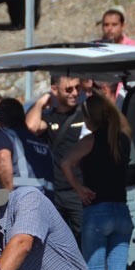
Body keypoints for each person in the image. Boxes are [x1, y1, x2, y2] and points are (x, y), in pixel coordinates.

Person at [61, 94, 134, 270]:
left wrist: (79, 188)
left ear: (90, 118)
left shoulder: (90, 140)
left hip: (97, 211)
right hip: (122, 212)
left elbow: (66, 162)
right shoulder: (122, 139)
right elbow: (121, 122)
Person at [26, 75, 86, 239]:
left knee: (83, 237)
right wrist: (40, 102)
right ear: (54, 89)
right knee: (59, 240)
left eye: (77, 88)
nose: (74, 93)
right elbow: (31, 127)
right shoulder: (48, 117)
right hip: (55, 191)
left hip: (80, 190)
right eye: (68, 89)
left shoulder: (84, 113)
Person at [0, 98, 54, 193]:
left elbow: (2, 158)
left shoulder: (3, 135)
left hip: (21, 200)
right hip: (46, 201)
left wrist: (8, 198)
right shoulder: (42, 144)